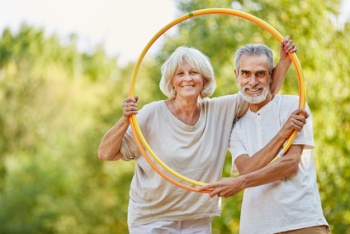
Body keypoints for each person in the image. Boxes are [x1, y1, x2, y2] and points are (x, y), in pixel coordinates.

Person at [98, 37, 302, 233]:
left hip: (198, 219)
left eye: (193, 72)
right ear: (171, 81)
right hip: (152, 220)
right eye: (180, 74)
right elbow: (106, 153)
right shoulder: (152, 114)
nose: (187, 79)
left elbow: (260, 91)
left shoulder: (220, 110)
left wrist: (284, 62)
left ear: (204, 79)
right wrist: (126, 118)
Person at [200, 44, 330, 233]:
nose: (252, 81)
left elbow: (290, 163)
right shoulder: (236, 126)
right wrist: (282, 134)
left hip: (301, 222)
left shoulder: (293, 105)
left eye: (260, 74)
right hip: (256, 228)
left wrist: (241, 183)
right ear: (236, 75)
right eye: (246, 74)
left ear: (271, 75)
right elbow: (246, 169)